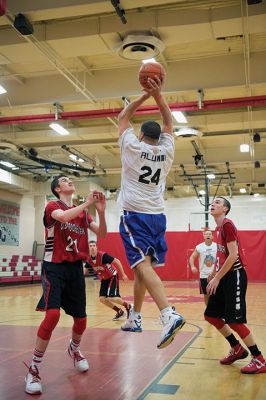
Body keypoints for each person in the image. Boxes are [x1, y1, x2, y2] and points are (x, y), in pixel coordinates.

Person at [117, 76, 185, 349]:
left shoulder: (132, 147)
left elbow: (124, 117)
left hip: (134, 215)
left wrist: (145, 95)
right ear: (160, 137)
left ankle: (168, 314)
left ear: (142, 135)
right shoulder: (166, 151)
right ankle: (135, 317)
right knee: (141, 271)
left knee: (141, 267)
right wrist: (159, 95)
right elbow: (170, 123)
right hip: (158, 215)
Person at [25, 175, 107, 394]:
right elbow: (62, 218)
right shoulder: (52, 205)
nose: (70, 180)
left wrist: (100, 210)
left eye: (71, 178)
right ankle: (34, 368)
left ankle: (75, 349)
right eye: (64, 179)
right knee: (52, 316)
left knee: (81, 319)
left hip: (75, 270)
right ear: (57, 188)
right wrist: (87, 203)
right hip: (54, 268)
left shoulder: (82, 212)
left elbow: (102, 233)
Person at [205, 196, 266, 374]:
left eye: (217, 202)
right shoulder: (217, 228)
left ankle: (259, 359)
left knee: (235, 321)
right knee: (211, 315)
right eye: (213, 202)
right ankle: (237, 348)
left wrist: (217, 278)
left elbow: (233, 255)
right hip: (224, 276)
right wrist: (215, 273)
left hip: (235, 276)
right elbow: (223, 255)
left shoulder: (227, 225)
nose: (213, 204)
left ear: (225, 209)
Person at [84, 240, 132, 320]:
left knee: (111, 297)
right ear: (88, 248)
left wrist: (123, 274)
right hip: (104, 279)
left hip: (112, 276)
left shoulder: (103, 256)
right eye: (90, 246)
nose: (92, 247)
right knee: (102, 299)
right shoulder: (89, 260)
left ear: (96, 247)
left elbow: (117, 261)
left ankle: (128, 306)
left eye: (93, 246)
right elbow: (84, 271)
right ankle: (119, 311)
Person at [189, 229, 217, 305]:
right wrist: (192, 266)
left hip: (215, 275)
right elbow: (192, 257)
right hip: (204, 275)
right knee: (206, 294)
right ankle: (208, 310)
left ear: (212, 236)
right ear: (204, 236)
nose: (208, 235)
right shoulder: (199, 247)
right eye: (206, 234)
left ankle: (217, 310)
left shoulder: (217, 246)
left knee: (216, 294)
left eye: (209, 234)